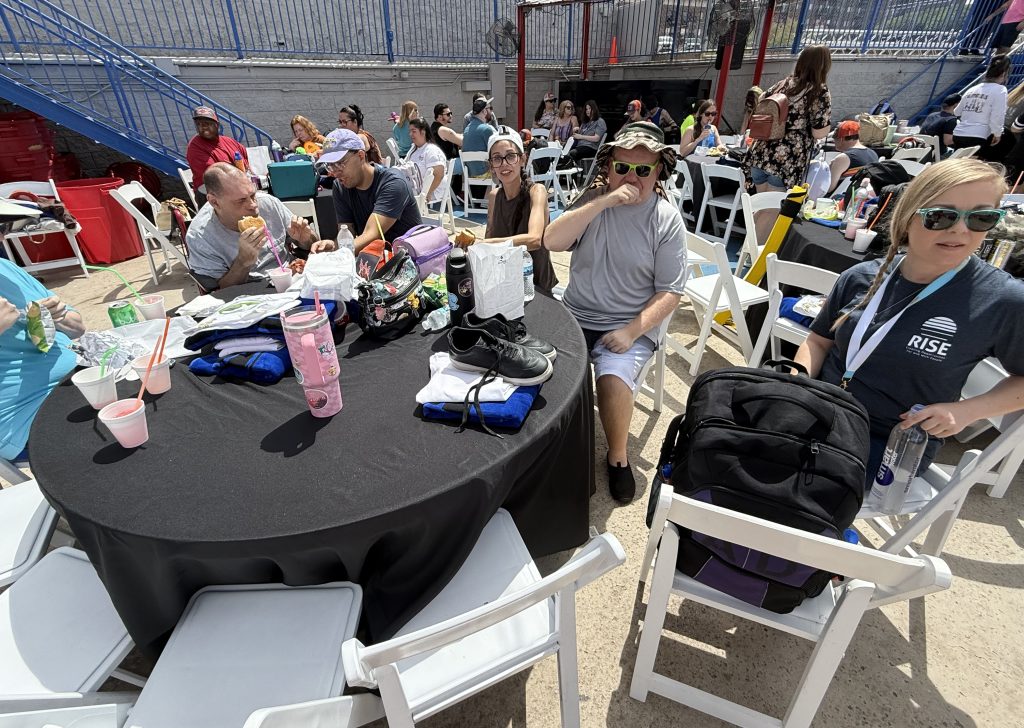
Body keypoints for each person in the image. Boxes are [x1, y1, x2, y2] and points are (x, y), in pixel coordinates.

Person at [794, 159, 1024, 487]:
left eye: (981, 218)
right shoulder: (862, 276)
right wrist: (796, 381)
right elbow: (818, 341)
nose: (960, 230)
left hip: (890, 443)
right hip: (818, 411)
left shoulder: (1004, 299)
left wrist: (967, 411)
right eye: (942, 216)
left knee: (789, 490)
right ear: (907, 217)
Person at [544, 122, 687, 503]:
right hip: (575, 313)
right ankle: (551, 449)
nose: (632, 177)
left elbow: (671, 291)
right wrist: (604, 200)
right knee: (539, 369)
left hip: (627, 323)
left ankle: (618, 458)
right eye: (622, 167)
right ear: (608, 167)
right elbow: (551, 240)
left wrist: (632, 331)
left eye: (643, 170)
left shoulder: (665, 219)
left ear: (658, 171)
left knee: (613, 382)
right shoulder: (593, 201)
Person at [454, 126, 558, 294]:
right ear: (491, 166)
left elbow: (534, 239)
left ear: (523, 159)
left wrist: (484, 244)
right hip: (505, 284)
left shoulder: (536, 191)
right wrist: (471, 249)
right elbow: (489, 243)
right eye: (497, 159)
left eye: (511, 156)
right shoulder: (494, 197)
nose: (504, 164)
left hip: (536, 287)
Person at [0, 257, 84, 462]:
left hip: (76, 378)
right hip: (24, 415)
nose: (3, 237)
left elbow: (78, 328)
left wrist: (60, 317)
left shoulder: (5, 268)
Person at [186, 163, 320, 290]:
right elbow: (221, 291)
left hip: (293, 278)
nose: (253, 205)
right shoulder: (200, 236)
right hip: (248, 296)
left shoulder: (268, 203)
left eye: (253, 195)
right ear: (214, 202)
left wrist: (305, 239)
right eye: (241, 200)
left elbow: (312, 244)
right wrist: (243, 261)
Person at [311, 129, 422, 255]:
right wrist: (333, 245)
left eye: (340, 164)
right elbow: (348, 233)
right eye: (330, 166)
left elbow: (371, 234)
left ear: (360, 156)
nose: (335, 173)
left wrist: (334, 254)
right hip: (374, 261)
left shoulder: (393, 183)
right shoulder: (341, 186)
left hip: (409, 261)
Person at [747, 45, 833, 192]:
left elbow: (761, 98)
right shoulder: (819, 91)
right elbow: (818, 133)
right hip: (786, 158)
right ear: (824, 65)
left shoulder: (784, 83)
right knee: (771, 209)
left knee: (759, 206)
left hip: (760, 151)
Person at [953, 55, 1010, 161]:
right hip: (978, 135)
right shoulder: (1000, 90)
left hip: (959, 134)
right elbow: (997, 115)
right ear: (1003, 74)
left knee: (960, 167)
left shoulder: (972, 89)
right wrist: (997, 133)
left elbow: (957, 112)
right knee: (972, 168)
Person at [185, 106, 249, 192]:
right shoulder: (195, 146)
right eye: (199, 124)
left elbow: (247, 161)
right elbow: (213, 176)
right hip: (211, 193)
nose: (203, 127)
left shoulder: (230, 141)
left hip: (237, 187)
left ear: (217, 125)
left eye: (207, 123)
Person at [827, 120, 880, 192]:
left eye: (835, 138)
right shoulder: (873, 153)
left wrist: (830, 168)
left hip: (841, 199)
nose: (834, 141)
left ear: (841, 139)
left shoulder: (843, 158)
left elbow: (829, 188)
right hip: (863, 197)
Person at [408, 118, 447, 205]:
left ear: (423, 132)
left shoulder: (431, 150)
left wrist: (428, 192)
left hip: (432, 191)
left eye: (414, 131)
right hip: (417, 189)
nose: (410, 134)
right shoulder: (413, 149)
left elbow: (439, 175)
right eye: (410, 131)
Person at [462, 96, 498, 178]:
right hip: (486, 174)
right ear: (484, 111)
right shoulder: (487, 129)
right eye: (490, 108)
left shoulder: (468, 128)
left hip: (471, 174)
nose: (492, 112)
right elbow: (498, 148)